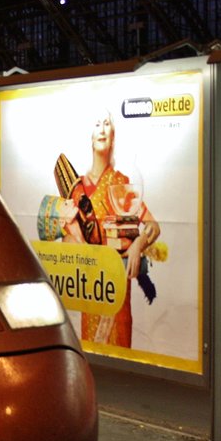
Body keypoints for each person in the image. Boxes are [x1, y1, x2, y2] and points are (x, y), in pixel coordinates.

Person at [66, 111, 161, 348]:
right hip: (91, 287)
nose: (101, 129)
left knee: (120, 346)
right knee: (91, 350)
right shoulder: (77, 188)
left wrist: (138, 243)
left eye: (106, 124)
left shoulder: (121, 183)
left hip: (117, 286)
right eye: (96, 123)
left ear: (113, 135)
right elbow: (67, 239)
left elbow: (152, 226)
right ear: (90, 136)